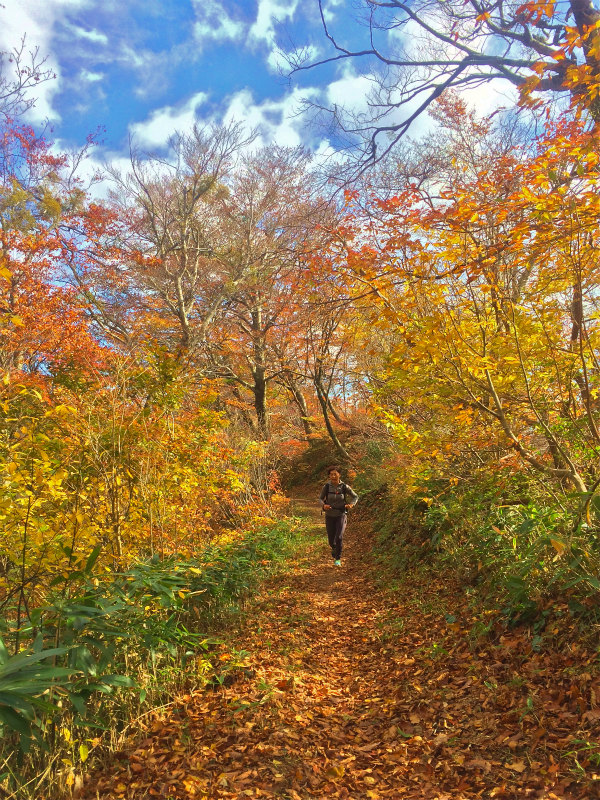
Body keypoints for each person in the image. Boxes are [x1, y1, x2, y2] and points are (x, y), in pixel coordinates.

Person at [319, 466, 358, 567]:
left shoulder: (345, 487)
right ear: (329, 476)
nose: (333, 476)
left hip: (341, 514)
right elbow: (320, 499)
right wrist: (323, 505)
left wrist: (351, 504)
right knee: (331, 540)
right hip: (329, 515)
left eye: (335, 474)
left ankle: (338, 559)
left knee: (339, 537)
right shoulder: (326, 487)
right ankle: (334, 548)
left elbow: (355, 496)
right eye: (331, 474)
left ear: (339, 475)